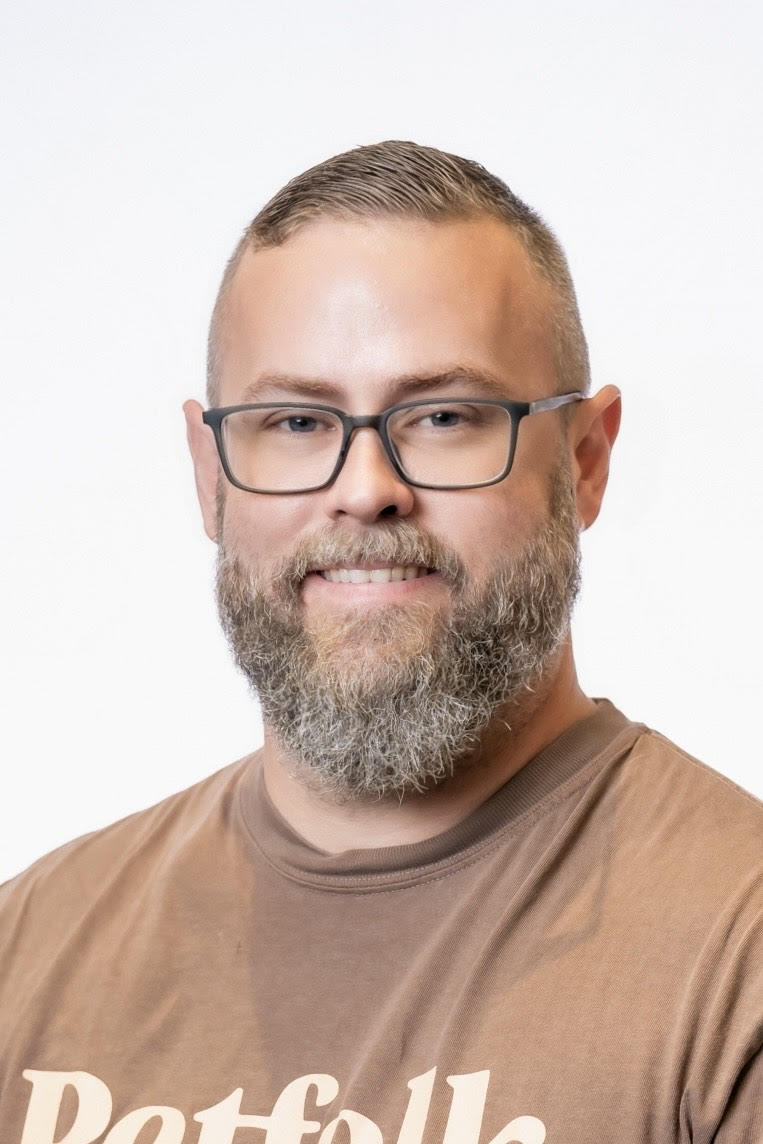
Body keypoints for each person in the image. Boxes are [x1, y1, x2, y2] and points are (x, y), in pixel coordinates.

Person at [1, 141, 761, 1144]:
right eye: (296, 421)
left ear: (583, 461)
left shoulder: (735, 956)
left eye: (444, 415)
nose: (365, 489)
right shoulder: (28, 950)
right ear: (208, 473)